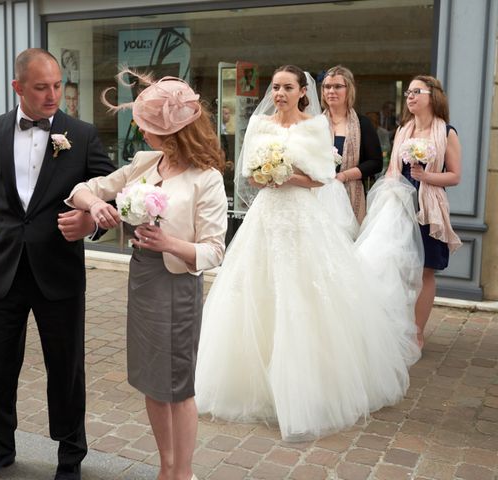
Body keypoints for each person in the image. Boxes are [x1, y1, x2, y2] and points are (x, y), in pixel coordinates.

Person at [195, 65, 423, 441]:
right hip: (267, 216)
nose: (280, 93)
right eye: (275, 87)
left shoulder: (314, 126)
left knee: (305, 294)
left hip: (302, 215)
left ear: (303, 91)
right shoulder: (260, 125)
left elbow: (319, 178)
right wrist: (266, 174)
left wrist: (285, 174)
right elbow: (250, 176)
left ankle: (307, 388)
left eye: (287, 87)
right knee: (255, 291)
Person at [0, 48, 115, 480]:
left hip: (59, 272)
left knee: (66, 370)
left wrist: (90, 223)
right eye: (41, 87)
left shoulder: (80, 134)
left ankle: (70, 456)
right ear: (17, 87)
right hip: (2, 272)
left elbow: (111, 191)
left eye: (57, 85)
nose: (52, 95)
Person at [66, 70, 228, 480]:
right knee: (153, 383)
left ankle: (183, 473)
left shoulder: (206, 178)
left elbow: (214, 250)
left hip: (176, 284)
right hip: (142, 282)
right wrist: (95, 207)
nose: (140, 129)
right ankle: (165, 468)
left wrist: (168, 243)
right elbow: (85, 187)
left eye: (147, 124)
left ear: (170, 132)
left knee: (178, 387)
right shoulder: (144, 163)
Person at [386, 75, 462, 349]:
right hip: (400, 205)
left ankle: (417, 333)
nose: (410, 96)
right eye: (408, 91)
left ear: (433, 96)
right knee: (396, 270)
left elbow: (454, 176)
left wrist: (425, 177)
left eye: (416, 91)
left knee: (425, 272)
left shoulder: (446, 132)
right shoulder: (402, 131)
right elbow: (392, 170)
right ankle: (395, 328)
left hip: (429, 208)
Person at [321, 65, 383, 223]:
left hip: (350, 195)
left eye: (337, 86)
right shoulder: (315, 123)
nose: (331, 91)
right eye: (327, 86)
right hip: (318, 195)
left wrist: (343, 176)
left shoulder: (362, 124)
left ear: (349, 90)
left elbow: (376, 163)